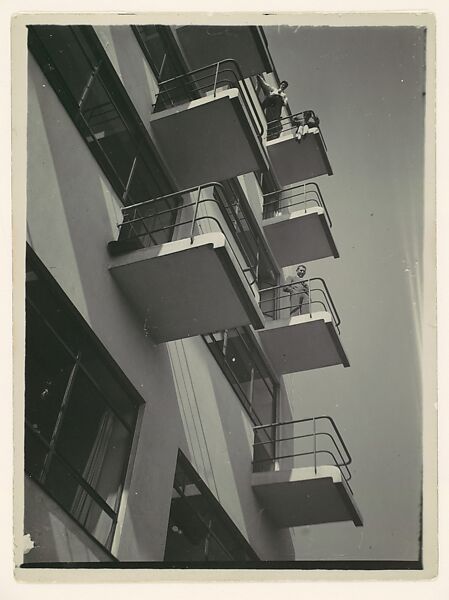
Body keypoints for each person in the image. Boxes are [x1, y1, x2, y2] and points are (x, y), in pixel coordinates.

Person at [257, 76, 289, 140]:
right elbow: (266, 86)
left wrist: (280, 96)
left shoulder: (284, 95)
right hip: (271, 104)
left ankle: (270, 131)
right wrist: (260, 79)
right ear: (280, 84)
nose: (283, 86)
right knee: (271, 96)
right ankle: (263, 107)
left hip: (276, 107)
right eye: (282, 84)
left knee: (277, 97)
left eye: (284, 86)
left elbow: (284, 104)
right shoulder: (274, 90)